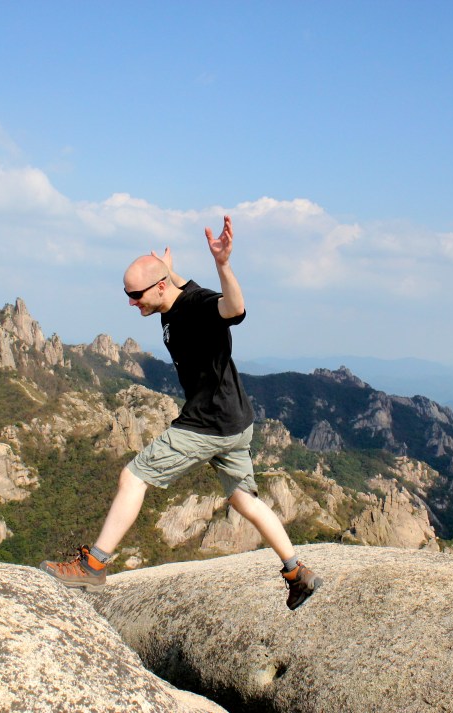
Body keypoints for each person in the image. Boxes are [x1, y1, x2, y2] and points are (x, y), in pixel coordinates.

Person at [38, 215, 322, 610]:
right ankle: (297, 573)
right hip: (236, 422)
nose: (131, 302)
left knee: (133, 476)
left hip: (207, 423)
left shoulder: (199, 306)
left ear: (158, 287)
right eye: (127, 293)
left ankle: (93, 565)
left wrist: (223, 264)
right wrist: (170, 268)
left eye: (136, 294)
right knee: (244, 501)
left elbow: (234, 308)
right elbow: (180, 282)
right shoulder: (175, 290)